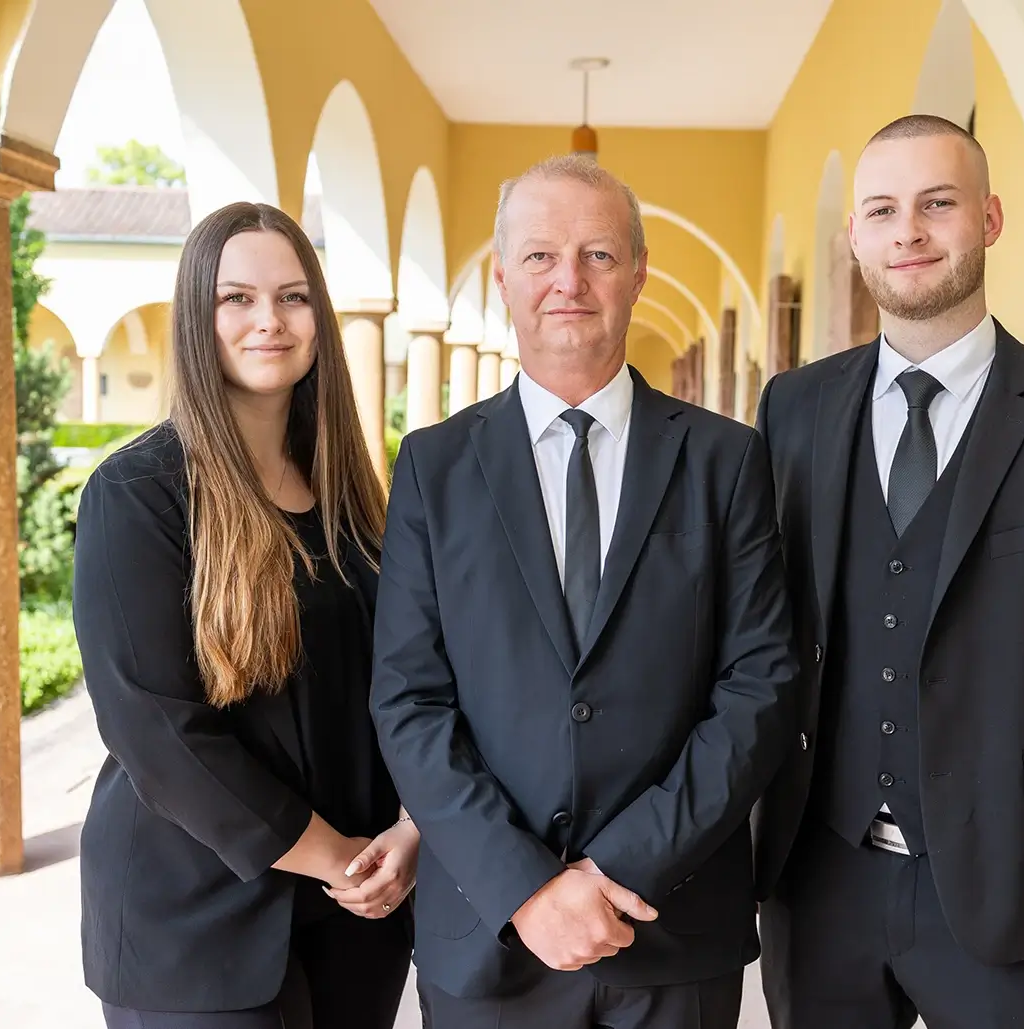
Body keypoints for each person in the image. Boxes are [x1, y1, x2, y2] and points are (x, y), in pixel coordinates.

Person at [753, 115, 1024, 1028]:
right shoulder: (793, 410)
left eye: (936, 203)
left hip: (1016, 895)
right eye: (882, 209)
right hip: (819, 879)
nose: (907, 230)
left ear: (988, 219)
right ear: (856, 238)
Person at [369, 155, 798, 1029]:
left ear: (639, 273)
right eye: (539, 257)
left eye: (599, 255)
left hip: (670, 926)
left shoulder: (725, 458)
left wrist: (620, 869)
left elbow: (760, 685)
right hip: (490, 932)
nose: (568, 280)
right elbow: (409, 698)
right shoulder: (434, 466)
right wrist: (526, 886)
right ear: (502, 277)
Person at [73, 201, 418, 1029]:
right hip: (192, 917)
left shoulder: (352, 496)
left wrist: (412, 829)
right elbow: (154, 727)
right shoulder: (139, 492)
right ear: (199, 314)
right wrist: (336, 855)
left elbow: (410, 677)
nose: (270, 320)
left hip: (354, 909)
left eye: (294, 297)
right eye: (237, 298)